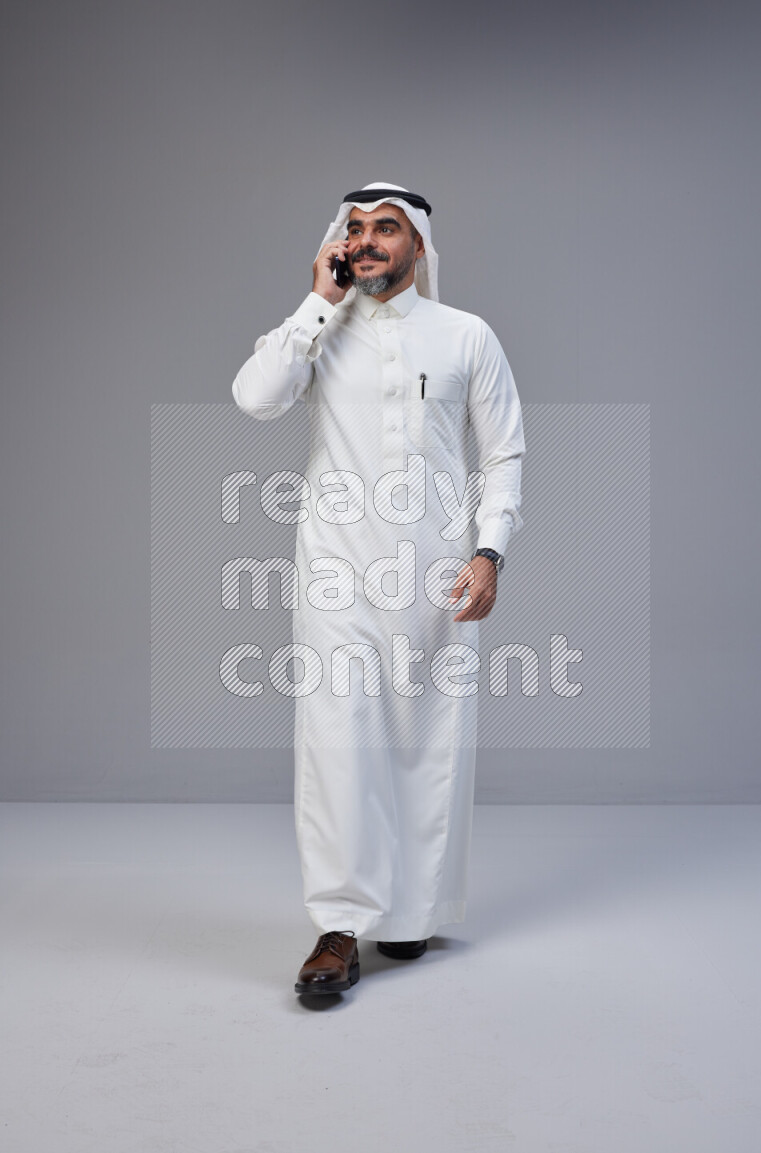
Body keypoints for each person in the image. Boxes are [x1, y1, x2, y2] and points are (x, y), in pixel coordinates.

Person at [231, 182, 526, 997]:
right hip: (336, 568)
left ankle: (409, 914)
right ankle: (338, 925)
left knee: (428, 736)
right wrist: (315, 301)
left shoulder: (466, 336)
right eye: (353, 229)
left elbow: (503, 453)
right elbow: (255, 396)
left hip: (435, 573)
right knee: (336, 738)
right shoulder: (319, 330)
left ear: (419, 246)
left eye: (384, 229)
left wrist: (490, 551)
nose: (365, 241)